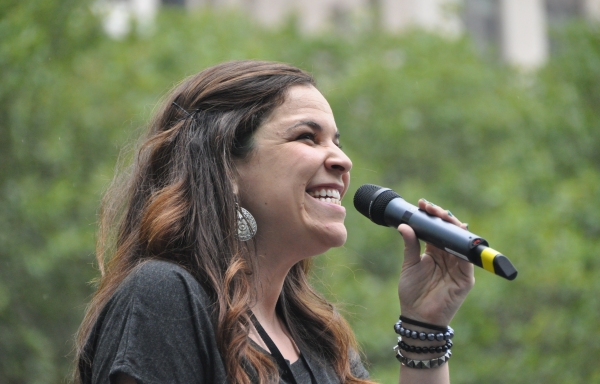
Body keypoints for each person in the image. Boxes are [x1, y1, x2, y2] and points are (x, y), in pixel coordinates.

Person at [75, 60, 474, 384]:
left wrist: (426, 326)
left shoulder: (321, 340)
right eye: (307, 137)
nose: (342, 160)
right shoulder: (164, 295)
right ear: (227, 168)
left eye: (337, 141)